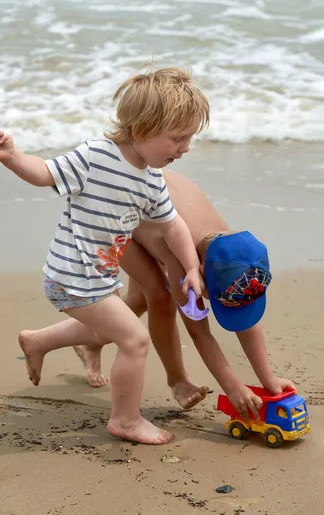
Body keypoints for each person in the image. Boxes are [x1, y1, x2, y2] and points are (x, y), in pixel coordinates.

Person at [0, 67, 210, 445]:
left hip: (97, 279)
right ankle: (126, 419)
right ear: (141, 130)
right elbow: (44, 173)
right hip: (71, 276)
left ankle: (37, 341)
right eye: (177, 138)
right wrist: (12, 156)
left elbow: (174, 226)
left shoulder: (150, 179)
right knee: (135, 341)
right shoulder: (96, 157)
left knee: (109, 327)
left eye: (189, 139)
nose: (185, 148)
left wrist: (190, 268)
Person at [72, 171, 295, 420]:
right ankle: (176, 379)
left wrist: (269, 379)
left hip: (149, 206)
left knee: (136, 302)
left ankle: (87, 342)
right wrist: (233, 388)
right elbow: (199, 333)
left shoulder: (235, 252)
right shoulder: (183, 260)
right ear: (199, 274)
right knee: (159, 297)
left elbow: (248, 325)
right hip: (113, 211)